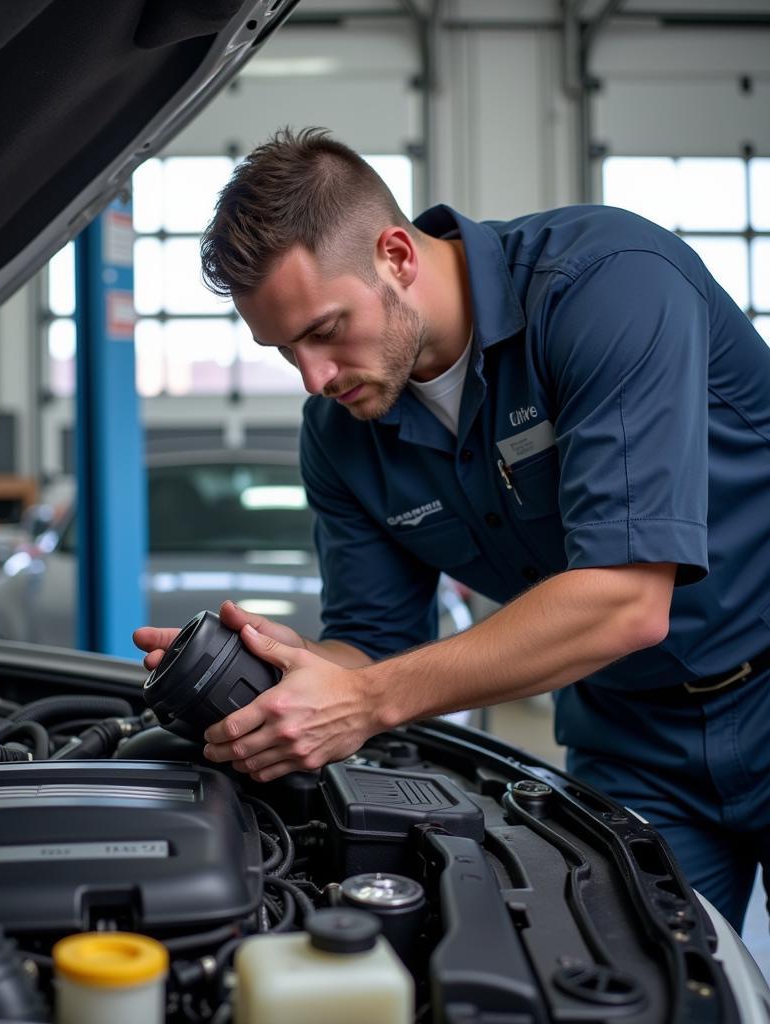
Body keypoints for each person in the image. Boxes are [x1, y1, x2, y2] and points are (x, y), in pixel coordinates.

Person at [133, 128, 770, 932]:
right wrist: (285, 672)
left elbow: (627, 601)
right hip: (632, 735)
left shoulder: (608, 285)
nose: (315, 377)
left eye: (326, 328)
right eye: (284, 348)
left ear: (397, 255)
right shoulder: (339, 436)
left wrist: (366, 700)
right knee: (647, 978)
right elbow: (372, 639)